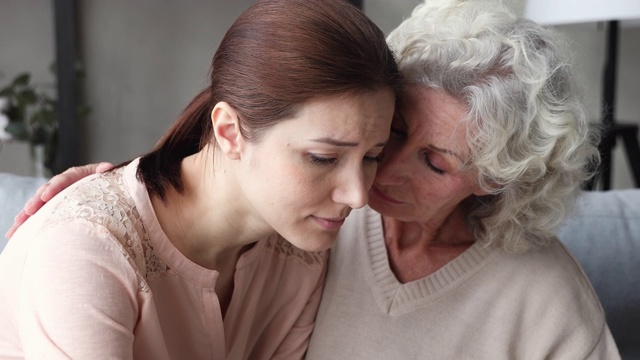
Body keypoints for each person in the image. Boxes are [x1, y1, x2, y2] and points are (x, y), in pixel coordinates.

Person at [7, 0, 621, 359]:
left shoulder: (301, 248)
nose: (364, 192)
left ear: (495, 182)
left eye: (436, 163)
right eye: (392, 136)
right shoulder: (306, 232)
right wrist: (101, 204)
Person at [0, 0, 401, 358]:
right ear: (228, 132)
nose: (358, 195)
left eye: (372, 157)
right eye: (323, 158)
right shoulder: (86, 251)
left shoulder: (301, 253)